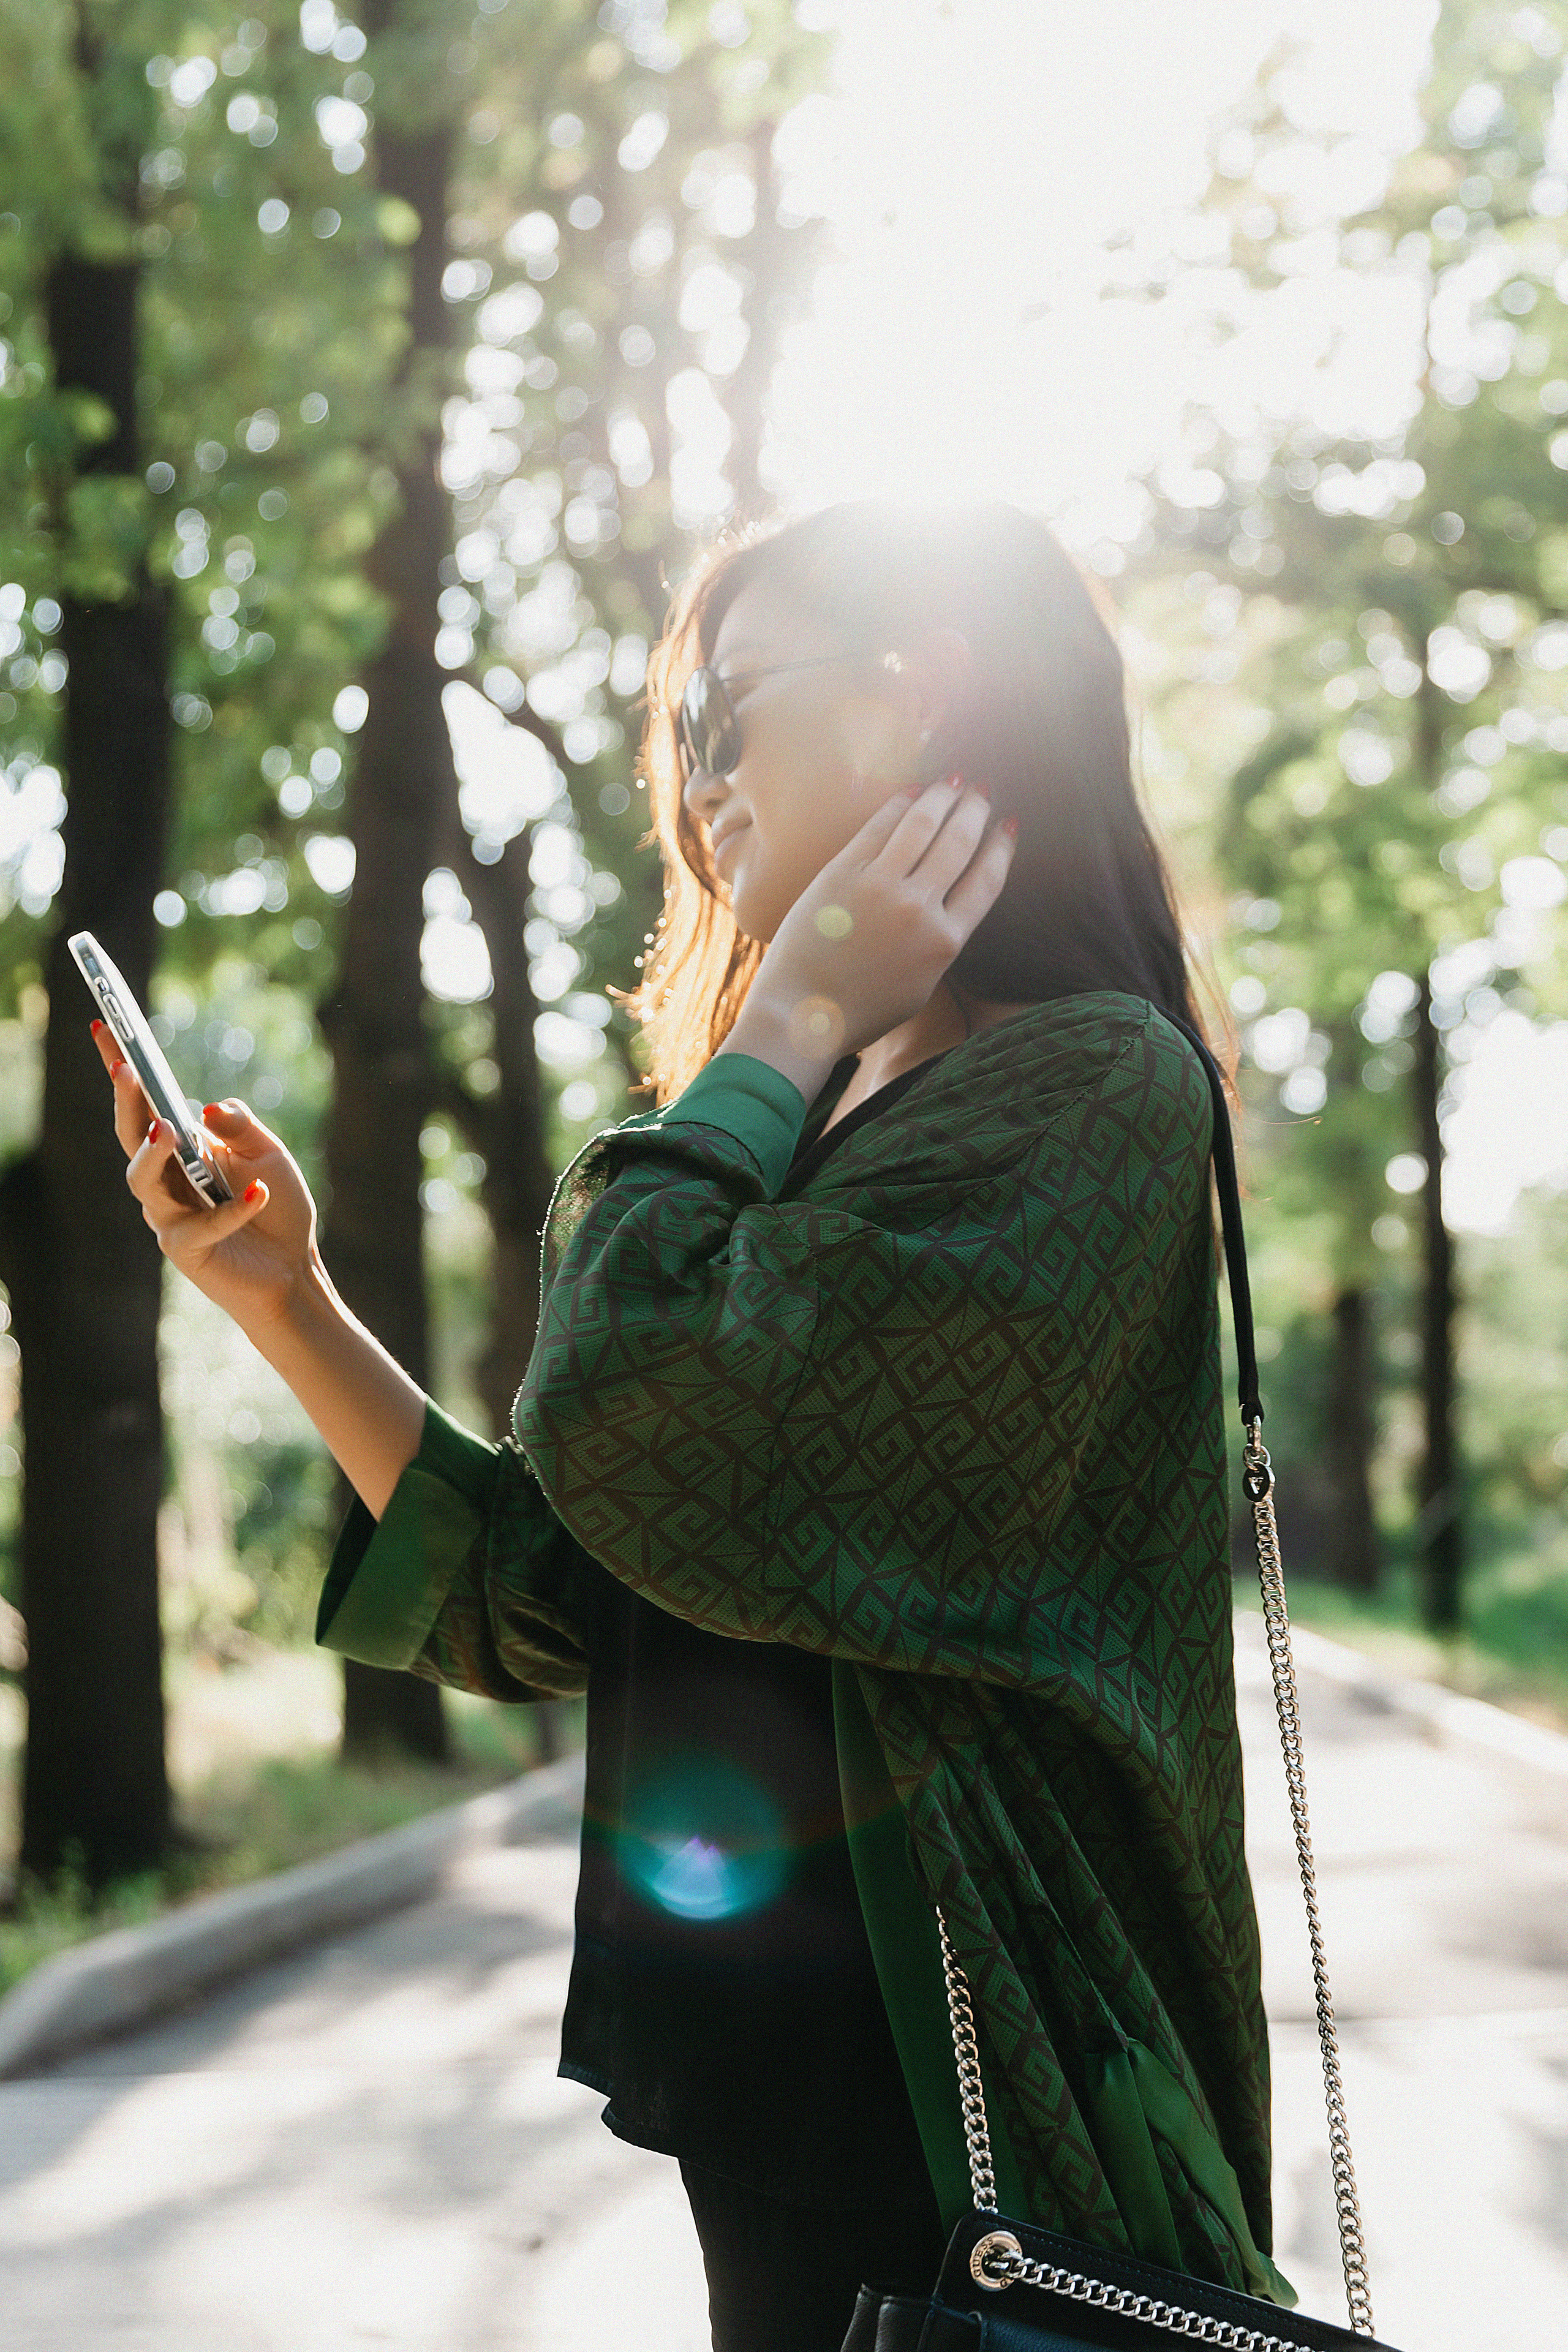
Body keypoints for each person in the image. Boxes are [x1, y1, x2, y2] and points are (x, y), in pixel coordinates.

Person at [96, 500, 1294, 2352]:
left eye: (736, 715)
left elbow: (647, 1416)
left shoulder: (1093, 1091)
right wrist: (287, 1305)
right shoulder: (806, 1124)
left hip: (977, 2125)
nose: (703, 782)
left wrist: (801, 1001)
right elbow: (571, 1587)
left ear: (920, 702)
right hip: (779, 2107)